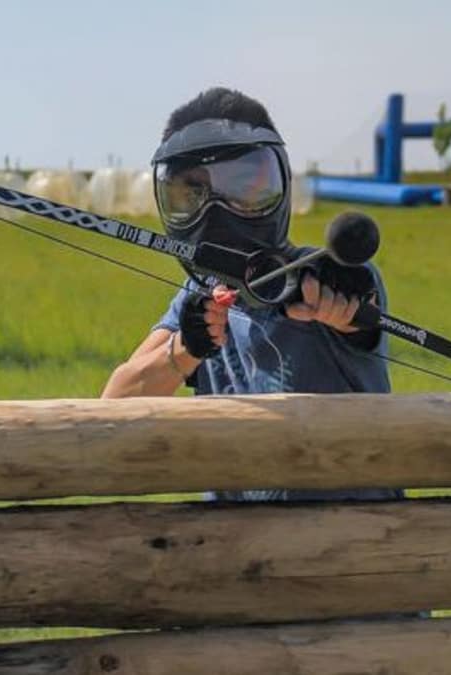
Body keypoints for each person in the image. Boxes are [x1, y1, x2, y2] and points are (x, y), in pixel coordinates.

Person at [101, 87, 403, 502]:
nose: (219, 210)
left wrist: (342, 310)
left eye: (244, 187)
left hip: (355, 540)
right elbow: (113, 404)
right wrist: (186, 348)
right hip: (238, 547)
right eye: (194, 193)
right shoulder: (197, 295)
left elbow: (358, 304)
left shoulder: (327, 274)